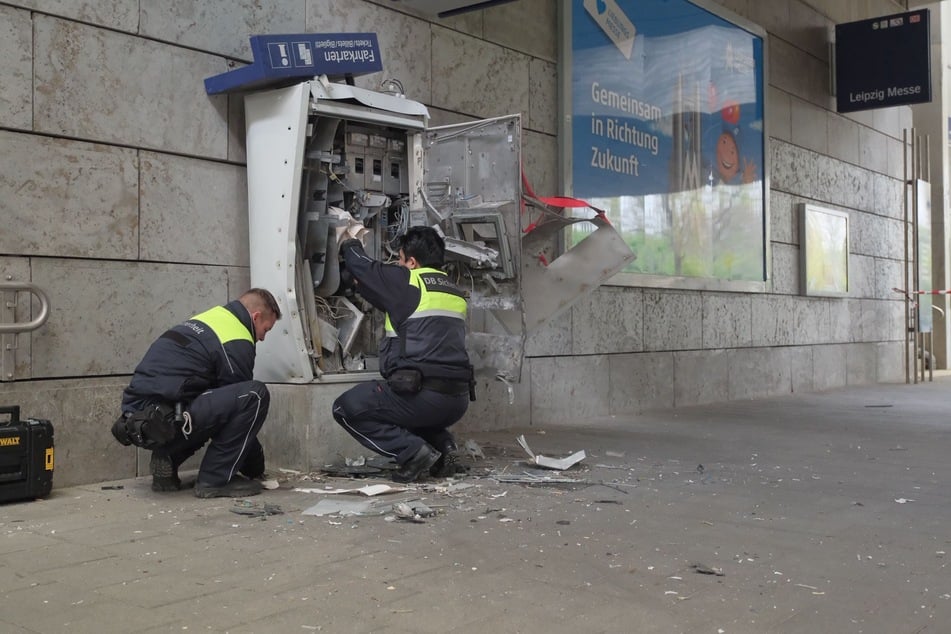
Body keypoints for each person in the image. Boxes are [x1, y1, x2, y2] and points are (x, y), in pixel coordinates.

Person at [333, 226, 474, 483]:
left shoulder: (409, 280)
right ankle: (445, 448)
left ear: (411, 262)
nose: (397, 265)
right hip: (457, 401)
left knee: (346, 407)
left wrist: (349, 241)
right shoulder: (453, 291)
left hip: (422, 395)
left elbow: (364, 267)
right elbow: (403, 307)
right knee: (409, 409)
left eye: (399, 259)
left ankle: (413, 454)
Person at [114, 288, 281, 498]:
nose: (263, 338)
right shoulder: (236, 338)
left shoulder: (210, 319)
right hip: (164, 418)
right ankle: (215, 480)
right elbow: (239, 413)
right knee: (254, 395)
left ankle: (167, 457)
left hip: (139, 419)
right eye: (266, 330)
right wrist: (255, 467)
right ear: (255, 317)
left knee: (211, 400)